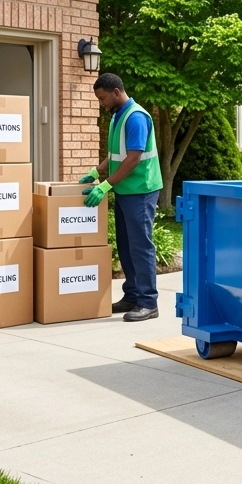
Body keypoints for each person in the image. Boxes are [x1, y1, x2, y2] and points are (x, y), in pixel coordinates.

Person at [80, 73, 164, 323]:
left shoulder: (136, 117)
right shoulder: (118, 115)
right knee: (127, 247)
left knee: (141, 246)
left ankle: (149, 302)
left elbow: (133, 158)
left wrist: (105, 185)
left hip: (141, 191)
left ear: (116, 92)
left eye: (103, 98)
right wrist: (98, 170)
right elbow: (117, 154)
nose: (101, 103)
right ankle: (132, 295)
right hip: (127, 190)